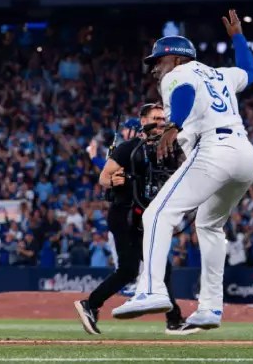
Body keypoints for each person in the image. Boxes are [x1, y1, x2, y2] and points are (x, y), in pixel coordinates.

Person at [113, 9, 253, 336]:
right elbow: (249, 71)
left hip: (213, 151)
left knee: (156, 216)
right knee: (209, 226)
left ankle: (151, 290)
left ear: (176, 59)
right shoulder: (220, 74)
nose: (154, 69)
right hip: (245, 156)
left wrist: (173, 125)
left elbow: (183, 94)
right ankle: (209, 308)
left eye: (158, 61)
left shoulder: (177, 75)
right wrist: (238, 37)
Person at [74, 104, 183, 336]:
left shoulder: (165, 149)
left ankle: (174, 319)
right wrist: (116, 181)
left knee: (160, 266)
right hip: (124, 213)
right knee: (129, 270)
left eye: (163, 117)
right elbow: (104, 178)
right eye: (156, 117)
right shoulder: (128, 148)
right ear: (143, 121)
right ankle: (90, 304)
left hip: (143, 216)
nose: (161, 122)